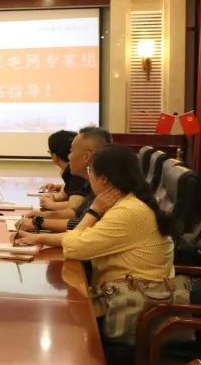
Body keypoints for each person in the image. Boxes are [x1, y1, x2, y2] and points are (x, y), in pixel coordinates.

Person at [57, 145, 173, 296]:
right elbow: (81, 239)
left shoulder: (127, 211)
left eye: (89, 170)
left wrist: (93, 211)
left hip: (133, 301)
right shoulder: (129, 201)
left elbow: (73, 248)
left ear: (104, 179)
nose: (88, 175)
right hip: (124, 293)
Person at [15, 126, 112, 243]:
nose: (68, 156)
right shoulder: (95, 185)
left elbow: (84, 226)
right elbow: (78, 213)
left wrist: (38, 222)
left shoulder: (108, 190)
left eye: (71, 151)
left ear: (86, 156)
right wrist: (39, 217)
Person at [38, 130, 89, 212]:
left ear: (55, 156)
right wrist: (56, 191)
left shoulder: (76, 173)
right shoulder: (70, 172)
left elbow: (75, 205)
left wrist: (50, 204)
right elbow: (66, 193)